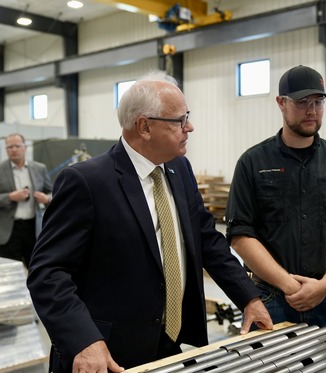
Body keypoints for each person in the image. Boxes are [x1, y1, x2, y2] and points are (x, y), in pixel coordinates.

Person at [26, 71, 272, 373]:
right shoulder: (87, 182)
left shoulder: (179, 169)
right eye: (180, 121)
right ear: (144, 126)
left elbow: (207, 240)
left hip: (168, 345)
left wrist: (249, 298)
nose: (190, 127)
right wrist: (83, 339)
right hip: (106, 354)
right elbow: (47, 273)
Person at [225, 65, 326, 333]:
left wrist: (324, 285)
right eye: (302, 103)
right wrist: (291, 286)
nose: (312, 111)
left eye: (317, 102)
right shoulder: (252, 162)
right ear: (281, 103)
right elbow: (241, 234)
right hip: (272, 300)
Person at [0, 133, 52, 267]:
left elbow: (53, 192)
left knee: (36, 269)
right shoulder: (1, 169)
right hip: (9, 232)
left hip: (33, 229)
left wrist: (46, 199)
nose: (13, 149)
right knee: (9, 272)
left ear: (25, 147)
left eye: (17, 146)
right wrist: (10, 197)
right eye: (9, 147)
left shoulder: (39, 168)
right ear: (6, 149)